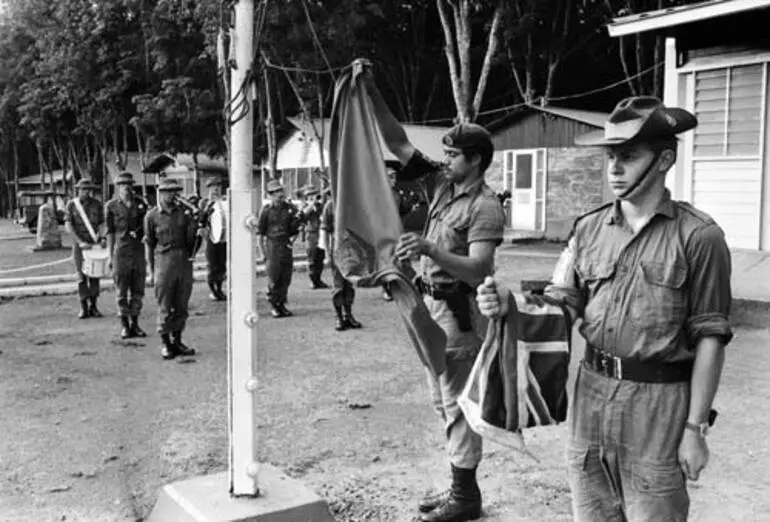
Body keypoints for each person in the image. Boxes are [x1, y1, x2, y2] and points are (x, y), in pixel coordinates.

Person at [476, 96, 733, 522]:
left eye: (628, 156)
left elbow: (711, 337)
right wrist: (511, 305)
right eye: (610, 156)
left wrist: (694, 429)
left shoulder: (699, 237)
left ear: (665, 159)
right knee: (591, 511)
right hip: (591, 394)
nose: (613, 168)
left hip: (658, 404)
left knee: (655, 512)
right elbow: (563, 303)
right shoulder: (588, 228)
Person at [369, 80, 505, 522]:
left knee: (458, 407)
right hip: (431, 308)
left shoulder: (484, 206)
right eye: (444, 154)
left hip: (459, 316)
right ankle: (460, 489)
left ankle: (465, 499)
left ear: (475, 160)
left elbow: (480, 267)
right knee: (441, 402)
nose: (445, 160)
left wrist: (430, 250)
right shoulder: (442, 187)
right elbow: (397, 141)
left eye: (453, 155)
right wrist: (372, 91)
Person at [144, 177, 201, 360]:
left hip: (183, 260)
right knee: (165, 304)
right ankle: (166, 343)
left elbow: (192, 241)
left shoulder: (184, 213)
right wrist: (151, 271)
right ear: (160, 192)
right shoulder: (152, 216)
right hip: (164, 261)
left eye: (174, 191)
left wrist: (199, 225)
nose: (171, 194)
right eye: (167, 191)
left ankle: (177, 340)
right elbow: (149, 244)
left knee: (181, 304)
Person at [105, 172, 148, 339]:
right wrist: (109, 255)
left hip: (137, 251)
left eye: (129, 184)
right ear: (118, 187)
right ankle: (124, 325)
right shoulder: (111, 206)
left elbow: (146, 226)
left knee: (138, 289)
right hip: (121, 252)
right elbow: (110, 231)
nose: (127, 188)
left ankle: (135, 323)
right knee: (121, 290)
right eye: (123, 185)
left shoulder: (141, 204)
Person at [257, 179, 301, 318]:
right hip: (272, 246)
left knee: (286, 277)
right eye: (275, 192)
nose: (279, 194)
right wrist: (262, 252)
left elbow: (297, 227)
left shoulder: (290, 208)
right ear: (270, 195)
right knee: (274, 278)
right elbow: (261, 233)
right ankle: (274, 305)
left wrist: (291, 241)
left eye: (280, 191)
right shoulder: (266, 211)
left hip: (285, 245)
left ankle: (282, 304)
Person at [65, 178, 106, 319]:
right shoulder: (72, 205)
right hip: (79, 245)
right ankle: (84, 308)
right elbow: (68, 225)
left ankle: (94, 306)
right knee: (81, 276)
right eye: (83, 189)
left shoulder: (97, 205)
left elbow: (102, 224)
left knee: (94, 275)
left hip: (94, 243)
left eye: (88, 189)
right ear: (78, 190)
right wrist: (79, 241)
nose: (86, 192)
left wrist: (102, 238)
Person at [320, 195, 363, 331]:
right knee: (338, 286)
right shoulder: (330, 205)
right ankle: (338, 316)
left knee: (349, 284)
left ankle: (348, 315)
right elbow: (325, 232)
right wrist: (327, 253)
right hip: (337, 250)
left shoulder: (354, 203)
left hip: (351, 250)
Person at [200, 177, 228, 301]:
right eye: (213, 186)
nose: (216, 189)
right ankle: (212, 290)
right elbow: (201, 220)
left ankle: (219, 288)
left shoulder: (225, 202)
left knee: (222, 265)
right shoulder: (205, 203)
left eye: (218, 186)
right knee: (212, 265)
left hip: (224, 238)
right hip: (211, 238)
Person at [301, 185, 329, 290]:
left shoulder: (320, 206)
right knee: (311, 258)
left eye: (314, 194)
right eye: (310, 195)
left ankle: (318, 280)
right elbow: (304, 215)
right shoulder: (305, 206)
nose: (313, 197)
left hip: (320, 233)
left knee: (320, 258)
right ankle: (312, 281)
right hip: (311, 234)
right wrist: (311, 204)